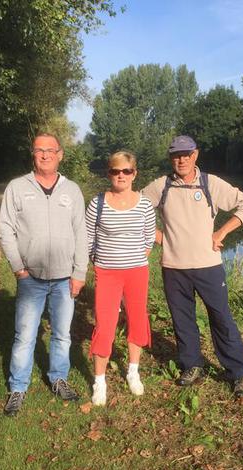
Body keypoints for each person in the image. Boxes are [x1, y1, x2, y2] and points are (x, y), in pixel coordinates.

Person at [142, 135, 243, 398]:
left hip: (208, 266)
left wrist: (222, 233)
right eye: (175, 155)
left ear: (195, 155)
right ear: (170, 158)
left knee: (221, 318)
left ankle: (238, 372)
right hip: (174, 267)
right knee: (182, 320)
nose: (180, 159)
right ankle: (192, 365)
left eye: (185, 154)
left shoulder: (210, 183)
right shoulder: (162, 185)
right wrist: (158, 236)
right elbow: (136, 210)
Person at [0, 133, 88, 416]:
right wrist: (18, 267)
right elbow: (5, 230)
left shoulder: (71, 190)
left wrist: (80, 272)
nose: (45, 155)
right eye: (40, 150)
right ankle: (18, 388)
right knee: (25, 335)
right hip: (31, 279)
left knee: (62, 334)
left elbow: (81, 232)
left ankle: (58, 377)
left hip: (64, 279)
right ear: (33, 154)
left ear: (61, 154)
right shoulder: (17, 187)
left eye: (51, 150)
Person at [85, 151, 156, 406]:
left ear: (134, 174)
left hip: (137, 272)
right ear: (109, 174)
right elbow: (88, 239)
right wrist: (101, 263)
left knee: (137, 319)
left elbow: (149, 239)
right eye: (116, 171)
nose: (121, 176)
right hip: (107, 273)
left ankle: (133, 372)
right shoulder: (98, 203)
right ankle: (99, 381)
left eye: (126, 171)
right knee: (105, 324)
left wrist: (133, 259)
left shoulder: (145, 204)